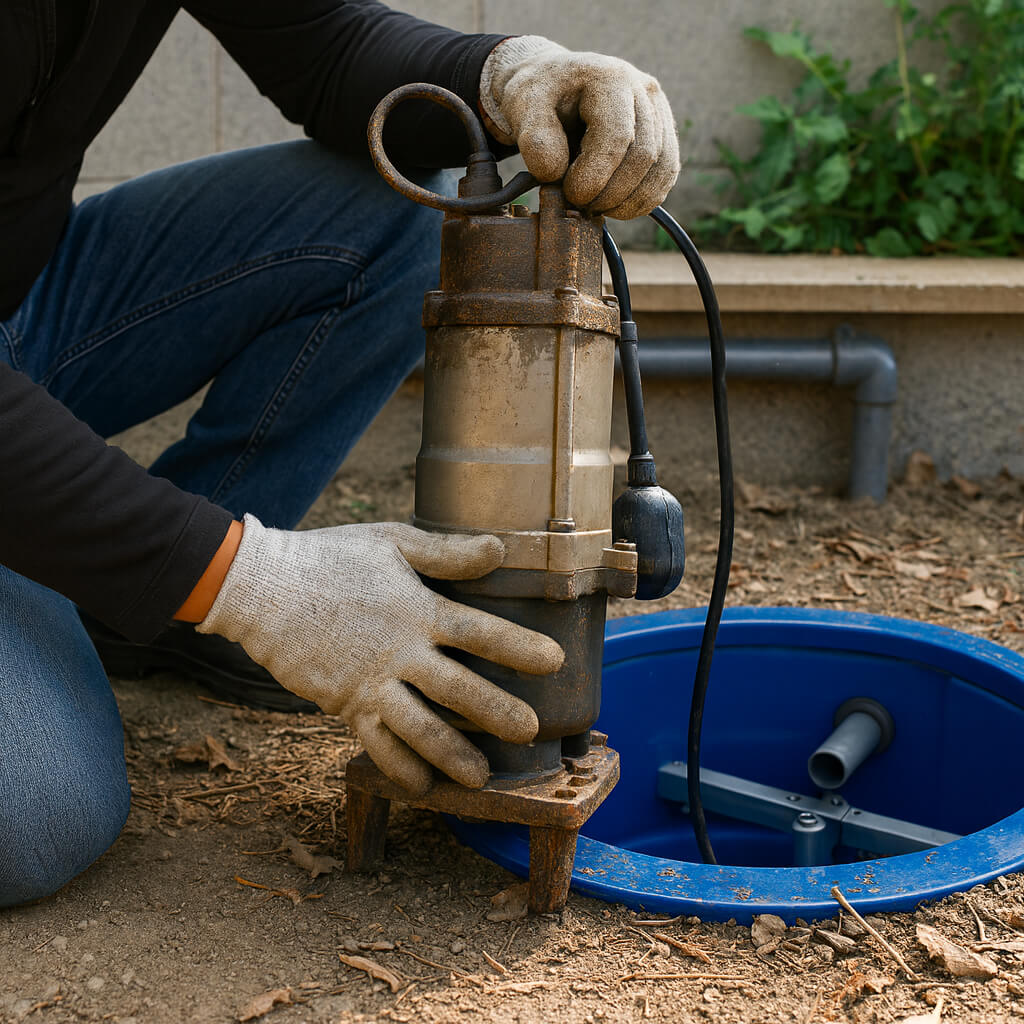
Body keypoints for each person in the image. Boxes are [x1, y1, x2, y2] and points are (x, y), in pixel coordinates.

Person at [0, 1, 680, 907]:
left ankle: (147, 610)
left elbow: (322, 44)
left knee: (394, 212)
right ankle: (150, 574)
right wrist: (255, 585)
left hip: (26, 301)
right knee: (34, 810)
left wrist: (511, 74)